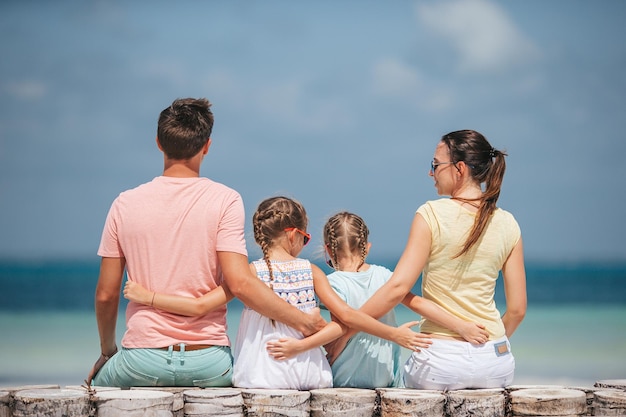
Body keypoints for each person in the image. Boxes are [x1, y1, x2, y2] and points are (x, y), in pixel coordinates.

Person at [87, 98, 326, 388]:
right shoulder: (225, 200)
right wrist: (301, 321)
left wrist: (107, 352)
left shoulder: (124, 204)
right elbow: (240, 284)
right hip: (210, 363)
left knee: (95, 385)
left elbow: (106, 295)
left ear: (159, 143)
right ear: (206, 146)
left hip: (142, 359)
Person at [124, 196, 432, 390]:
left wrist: (147, 297)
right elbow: (348, 316)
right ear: (293, 235)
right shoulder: (312, 273)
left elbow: (199, 306)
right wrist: (395, 336)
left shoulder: (248, 274)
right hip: (311, 375)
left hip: (260, 374)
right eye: (306, 235)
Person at [328, 130, 527, 391]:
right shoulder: (508, 223)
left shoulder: (430, 213)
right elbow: (517, 310)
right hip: (495, 360)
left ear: (460, 169)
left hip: (441, 361)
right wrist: (487, 350)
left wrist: (348, 331)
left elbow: (397, 289)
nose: (430, 173)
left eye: (435, 165)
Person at [266, 211, 489, 389]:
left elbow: (339, 328)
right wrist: (462, 326)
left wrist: (311, 343)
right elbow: (417, 303)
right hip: (385, 378)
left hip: (344, 378)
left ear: (327, 250)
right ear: (367, 247)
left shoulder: (333, 283)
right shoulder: (385, 276)